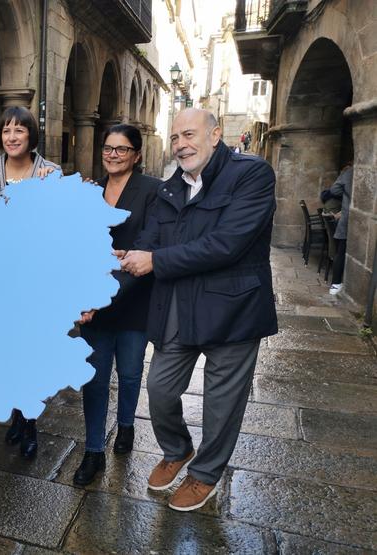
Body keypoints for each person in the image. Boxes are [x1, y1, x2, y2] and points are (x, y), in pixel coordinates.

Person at [119, 108, 277, 512]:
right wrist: (128, 260)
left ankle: (205, 474)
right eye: (174, 138)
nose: (181, 144)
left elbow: (228, 244)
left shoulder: (251, 175)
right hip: (179, 305)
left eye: (189, 134)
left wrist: (155, 260)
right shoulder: (171, 186)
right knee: (159, 389)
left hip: (233, 308)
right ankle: (177, 449)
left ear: (216, 134)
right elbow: (150, 239)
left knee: (222, 402)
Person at [72, 124, 161, 486]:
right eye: (108, 148)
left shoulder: (152, 191)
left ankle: (126, 426)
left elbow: (145, 244)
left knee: (128, 372)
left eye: (122, 149)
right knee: (93, 379)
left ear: (136, 155)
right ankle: (93, 450)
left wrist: (100, 295)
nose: (112, 154)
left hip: (132, 299)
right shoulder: (89, 192)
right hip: (93, 302)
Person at [0, 105, 60, 458]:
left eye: (19, 131)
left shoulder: (50, 173)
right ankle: (16, 416)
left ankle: (31, 424)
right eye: (6, 130)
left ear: (30, 135)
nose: (11, 137)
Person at [326, 162, 353, 295]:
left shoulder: (349, 173)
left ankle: (336, 284)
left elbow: (334, 190)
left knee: (341, 251)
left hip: (347, 216)